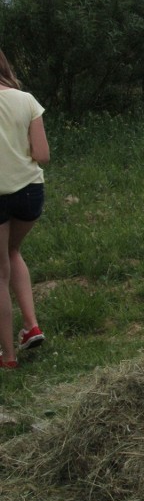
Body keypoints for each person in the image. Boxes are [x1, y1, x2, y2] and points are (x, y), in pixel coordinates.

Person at [0, 49, 49, 369]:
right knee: (13, 251)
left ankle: (8, 357)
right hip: (31, 192)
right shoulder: (26, 99)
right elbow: (42, 154)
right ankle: (31, 326)